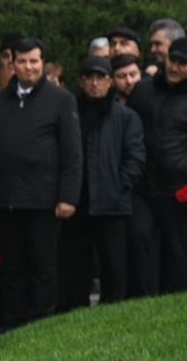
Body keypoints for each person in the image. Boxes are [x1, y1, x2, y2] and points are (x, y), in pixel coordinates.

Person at [0, 38, 81, 328]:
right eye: (22, 61)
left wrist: (68, 196)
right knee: (11, 267)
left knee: (43, 266)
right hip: (3, 200)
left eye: (34, 61)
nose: (28, 67)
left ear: (42, 62)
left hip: (44, 201)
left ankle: (42, 324)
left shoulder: (61, 100)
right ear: (12, 64)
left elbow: (71, 153)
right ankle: (13, 324)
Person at [128, 36, 187, 294]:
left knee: (177, 251)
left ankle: (177, 301)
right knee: (141, 239)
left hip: (180, 189)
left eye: (182, 63)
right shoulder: (144, 89)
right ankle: (145, 300)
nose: (174, 67)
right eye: (172, 60)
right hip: (143, 185)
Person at [59, 57, 145, 308]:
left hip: (112, 203)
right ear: (81, 81)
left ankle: (114, 310)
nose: (95, 83)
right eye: (89, 78)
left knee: (114, 266)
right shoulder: (70, 114)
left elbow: (135, 158)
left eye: (101, 78)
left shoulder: (126, 117)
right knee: (74, 263)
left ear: (110, 82)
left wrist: (118, 186)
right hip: (76, 201)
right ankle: (74, 309)